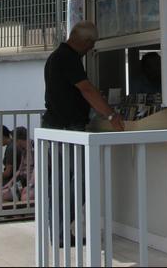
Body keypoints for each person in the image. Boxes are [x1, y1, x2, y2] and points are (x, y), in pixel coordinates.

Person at [43, 21, 124, 246]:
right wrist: (111, 114)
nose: (91, 48)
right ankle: (61, 231)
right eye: (92, 43)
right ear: (85, 41)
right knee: (79, 181)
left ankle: (58, 232)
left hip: (55, 126)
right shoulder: (68, 58)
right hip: (67, 127)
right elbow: (87, 89)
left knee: (61, 182)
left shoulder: (55, 57)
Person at [0, 126, 34, 203]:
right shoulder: (23, 150)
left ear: (18, 140)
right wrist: (10, 184)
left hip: (31, 184)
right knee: (0, 195)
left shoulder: (33, 148)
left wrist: (29, 186)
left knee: (24, 198)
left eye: (14, 140)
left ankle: (19, 214)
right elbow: (19, 170)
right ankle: (16, 215)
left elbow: (36, 170)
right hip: (22, 182)